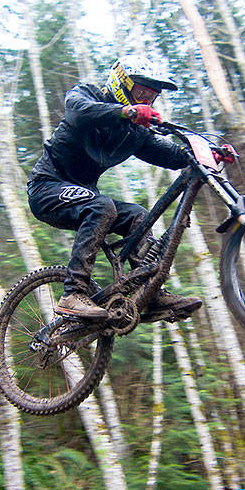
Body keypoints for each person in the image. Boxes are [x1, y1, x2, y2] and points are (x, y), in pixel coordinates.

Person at [27, 57, 205, 323]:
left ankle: (151, 295)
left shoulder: (133, 133)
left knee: (139, 216)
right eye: (141, 92)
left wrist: (205, 153)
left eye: (151, 96)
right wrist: (127, 112)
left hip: (83, 195)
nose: (146, 100)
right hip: (47, 188)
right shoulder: (87, 95)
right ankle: (73, 293)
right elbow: (78, 111)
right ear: (122, 83)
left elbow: (169, 155)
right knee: (102, 206)